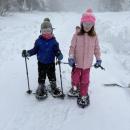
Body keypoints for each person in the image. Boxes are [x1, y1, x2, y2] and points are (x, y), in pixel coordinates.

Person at [22, 18, 63, 99]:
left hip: (51, 62)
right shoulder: (38, 41)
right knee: (41, 75)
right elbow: (34, 50)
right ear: (41, 31)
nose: (46, 33)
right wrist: (28, 53)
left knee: (52, 75)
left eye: (48, 30)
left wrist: (59, 54)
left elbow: (56, 50)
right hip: (41, 63)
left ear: (51, 30)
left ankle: (53, 85)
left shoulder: (54, 42)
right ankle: (41, 86)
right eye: (44, 31)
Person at [68, 8, 102, 107]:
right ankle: (75, 87)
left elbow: (97, 49)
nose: (87, 26)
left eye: (90, 24)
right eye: (85, 24)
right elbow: (72, 47)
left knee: (85, 81)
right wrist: (71, 57)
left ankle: (83, 94)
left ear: (93, 25)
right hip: (77, 63)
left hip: (87, 65)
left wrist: (98, 59)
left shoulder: (94, 36)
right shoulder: (76, 35)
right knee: (75, 78)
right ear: (82, 23)